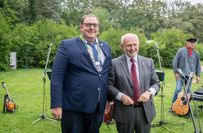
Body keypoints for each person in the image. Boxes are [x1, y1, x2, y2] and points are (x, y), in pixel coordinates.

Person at [50, 14, 112, 133]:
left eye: (95, 25)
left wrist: (108, 100)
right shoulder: (67, 45)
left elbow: (107, 75)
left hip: (97, 106)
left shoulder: (106, 46)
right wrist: (56, 104)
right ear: (81, 27)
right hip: (74, 107)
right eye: (88, 25)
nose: (92, 28)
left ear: (98, 28)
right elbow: (57, 76)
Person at [108, 33, 160, 133]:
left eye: (135, 44)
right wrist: (121, 96)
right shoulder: (114, 63)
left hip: (145, 112)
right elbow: (109, 85)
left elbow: (156, 83)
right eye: (129, 45)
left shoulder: (148, 62)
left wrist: (149, 92)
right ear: (122, 46)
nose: (133, 48)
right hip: (124, 112)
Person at [171, 38, 201, 106]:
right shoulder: (181, 50)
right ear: (187, 43)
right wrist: (176, 73)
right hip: (180, 74)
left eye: (194, 42)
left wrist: (198, 76)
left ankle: (185, 108)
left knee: (188, 92)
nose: (193, 44)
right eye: (191, 42)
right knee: (178, 89)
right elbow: (175, 62)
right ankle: (173, 105)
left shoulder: (196, 53)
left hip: (190, 76)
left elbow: (198, 65)